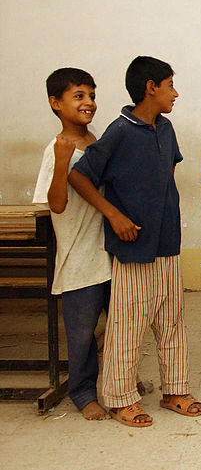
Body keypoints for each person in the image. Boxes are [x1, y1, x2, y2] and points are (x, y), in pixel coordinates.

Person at [69, 56, 201, 427]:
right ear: (150, 87)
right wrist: (114, 214)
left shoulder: (166, 128)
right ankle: (119, 397)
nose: (175, 93)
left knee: (171, 319)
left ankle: (175, 389)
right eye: (170, 85)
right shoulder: (120, 130)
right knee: (128, 323)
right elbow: (80, 177)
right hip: (132, 246)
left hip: (166, 243)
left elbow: (166, 176)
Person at [32, 68, 111, 421]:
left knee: (117, 323)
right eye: (78, 96)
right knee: (81, 333)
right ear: (55, 103)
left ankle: (115, 381)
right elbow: (56, 204)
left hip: (107, 250)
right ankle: (82, 392)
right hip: (79, 255)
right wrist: (63, 161)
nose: (88, 103)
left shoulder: (97, 142)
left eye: (91, 95)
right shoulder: (57, 148)